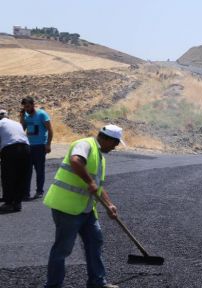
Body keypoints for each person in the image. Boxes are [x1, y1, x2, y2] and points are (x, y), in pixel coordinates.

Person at [43, 125, 124, 288]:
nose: (115, 147)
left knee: (95, 242)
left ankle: (97, 282)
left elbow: (98, 186)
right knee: (63, 249)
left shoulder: (100, 156)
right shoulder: (85, 144)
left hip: (86, 209)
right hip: (67, 207)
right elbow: (75, 161)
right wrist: (90, 182)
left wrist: (110, 205)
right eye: (115, 143)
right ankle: (53, 285)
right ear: (107, 138)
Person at [20, 97, 54, 199]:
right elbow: (21, 130)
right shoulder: (25, 115)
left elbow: (50, 130)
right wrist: (21, 118)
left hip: (40, 146)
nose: (26, 108)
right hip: (28, 147)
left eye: (28, 106)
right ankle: (26, 193)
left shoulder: (42, 114)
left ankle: (39, 191)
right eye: (25, 107)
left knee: (39, 170)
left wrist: (48, 144)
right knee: (27, 170)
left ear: (33, 104)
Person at [0, 109, 32, 213]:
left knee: (8, 176)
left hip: (11, 149)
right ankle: (17, 202)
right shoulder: (16, 123)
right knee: (20, 176)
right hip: (26, 149)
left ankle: (9, 202)